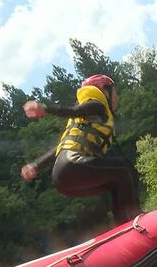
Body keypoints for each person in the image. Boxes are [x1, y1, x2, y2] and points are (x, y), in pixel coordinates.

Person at [21, 74, 142, 224]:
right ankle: (137, 218)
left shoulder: (84, 122)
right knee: (125, 169)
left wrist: (35, 166)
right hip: (73, 165)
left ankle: (125, 224)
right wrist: (45, 108)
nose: (117, 96)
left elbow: (58, 149)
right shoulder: (97, 105)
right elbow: (72, 111)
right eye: (114, 91)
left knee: (117, 181)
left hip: (63, 178)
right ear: (103, 90)